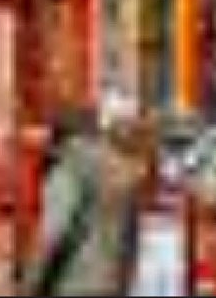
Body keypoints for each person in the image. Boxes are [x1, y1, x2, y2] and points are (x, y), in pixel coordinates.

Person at [18, 96, 150, 297]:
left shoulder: (70, 169)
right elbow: (131, 242)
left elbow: (52, 235)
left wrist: (29, 286)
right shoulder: (122, 173)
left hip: (72, 284)